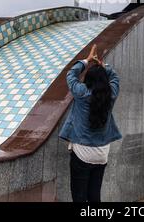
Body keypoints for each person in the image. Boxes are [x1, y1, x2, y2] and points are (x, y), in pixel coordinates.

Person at [59, 44, 122, 202]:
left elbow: (71, 74)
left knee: (79, 196)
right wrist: (104, 66)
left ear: (88, 79)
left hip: (82, 152)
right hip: (102, 153)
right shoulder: (111, 94)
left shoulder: (81, 92)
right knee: (94, 195)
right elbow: (115, 78)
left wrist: (87, 61)